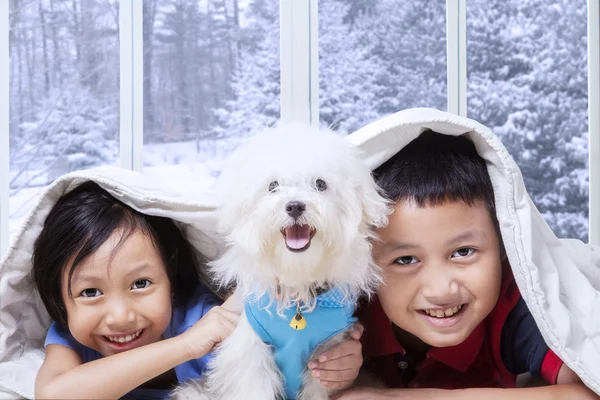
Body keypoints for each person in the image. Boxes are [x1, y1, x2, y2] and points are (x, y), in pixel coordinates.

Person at [32, 181, 363, 399]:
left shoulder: (209, 321)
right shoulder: (71, 338)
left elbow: (287, 351)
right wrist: (185, 346)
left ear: (172, 279)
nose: (119, 317)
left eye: (141, 284)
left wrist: (341, 365)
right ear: (59, 299)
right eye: (90, 292)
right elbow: (54, 395)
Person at [335, 130, 598, 399]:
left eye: (462, 252)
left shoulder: (520, 305)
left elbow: (588, 390)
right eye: (406, 259)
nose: (441, 290)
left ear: (506, 245)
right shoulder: (347, 308)